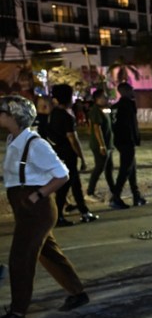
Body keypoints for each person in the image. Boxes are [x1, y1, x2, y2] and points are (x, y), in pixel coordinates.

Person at [0, 94, 89, 318]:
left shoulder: (35, 143)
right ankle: (77, 292)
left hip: (36, 209)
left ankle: (18, 312)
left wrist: (38, 195)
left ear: (13, 116)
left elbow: (62, 173)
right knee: (48, 253)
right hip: (25, 207)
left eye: (2, 113)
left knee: (21, 258)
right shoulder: (14, 140)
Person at [48, 83, 98, 226]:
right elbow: (72, 139)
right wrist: (82, 157)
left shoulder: (53, 114)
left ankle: (84, 211)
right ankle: (58, 217)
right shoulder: (66, 116)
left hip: (57, 153)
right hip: (67, 155)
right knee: (65, 186)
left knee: (75, 184)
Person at [109, 82, 145, 209]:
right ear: (126, 91)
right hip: (127, 140)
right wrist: (136, 138)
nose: (133, 92)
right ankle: (115, 197)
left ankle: (136, 196)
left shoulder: (115, 106)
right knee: (125, 169)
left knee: (131, 167)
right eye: (131, 90)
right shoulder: (128, 104)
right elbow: (132, 124)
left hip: (119, 139)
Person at [85, 87, 115, 199]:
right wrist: (102, 145)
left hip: (108, 144)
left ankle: (114, 190)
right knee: (99, 168)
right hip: (100, 145)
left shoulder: (104, 109)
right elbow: (97, 128)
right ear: (97, 99)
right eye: (104, 96)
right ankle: (89, 192)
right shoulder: (95, 110)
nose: (106, 98)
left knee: (108, 169)